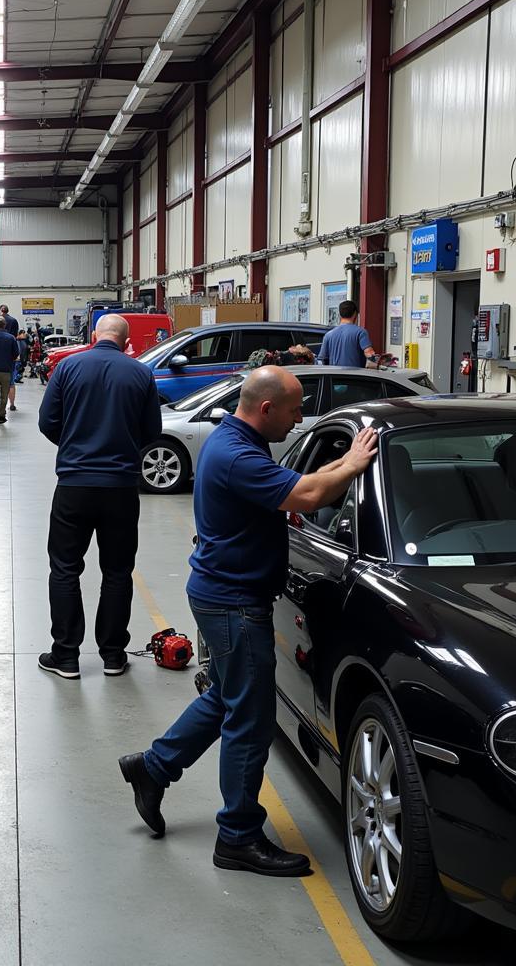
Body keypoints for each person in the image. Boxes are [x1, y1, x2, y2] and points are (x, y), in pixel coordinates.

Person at [118, 365, 378, 877]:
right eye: (295, 409)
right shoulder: (238, 454)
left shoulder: (237, 440)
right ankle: (237, 836)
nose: (300, 419)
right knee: (251, 721)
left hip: (224, 594)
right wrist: (351, 461)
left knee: (225, 697)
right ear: (266, 409)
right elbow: (306, 493)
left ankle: (153, 767)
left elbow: (293, 488)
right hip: (233, 603)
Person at [37, 315, 162, 679]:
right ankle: (112, 655)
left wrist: (76, 447)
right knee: (118, 571)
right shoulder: (140, 374)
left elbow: (48, 422)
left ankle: (66, 657)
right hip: (121, 488)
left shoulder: (68, 368)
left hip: (74, 486)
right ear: (125, 342)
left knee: (64, 568)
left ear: (94, 336)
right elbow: (152, 430)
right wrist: (120, 450)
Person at [317, 300, 377, 367]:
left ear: (339, 314)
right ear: (355, 314)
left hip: (334, 376)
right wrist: (376, 366)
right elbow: (369, 353)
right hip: (355, 375)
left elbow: (321, 360)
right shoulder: (360, 332)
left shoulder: (328, 335)